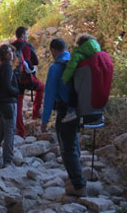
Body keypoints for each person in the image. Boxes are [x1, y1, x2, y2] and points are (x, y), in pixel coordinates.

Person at [40, 38, 87, 197]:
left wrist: (44, 120)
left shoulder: (56, 68)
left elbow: (49, 95)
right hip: (80, 110)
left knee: (67, 149)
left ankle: (79, 185)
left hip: (65, 112)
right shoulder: (76, 62)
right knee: (74, 144)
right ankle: (74, 176)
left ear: (53, 50)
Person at [62, 34, 114, 124]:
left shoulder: (77, 53)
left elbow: (71, 67)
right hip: (97, 98)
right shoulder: (98, 55)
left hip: (83, 96)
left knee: (71, 89)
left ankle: (71, 111)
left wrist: (65, 79)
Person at [0, 44, 20, 170]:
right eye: (8, 52)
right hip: (8, 103)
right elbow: (7, 86)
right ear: (4, 55)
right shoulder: (7, 67)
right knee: (9, 132)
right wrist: (16, 91)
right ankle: (8, 161)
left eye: (12, 51)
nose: (11, 53)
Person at [11, 26, 44, 137]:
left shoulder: (11, 46)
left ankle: (21, 132)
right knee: (41, 87)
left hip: (15, 79)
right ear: (22, 35)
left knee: (18, 105)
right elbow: (28, 64)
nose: (28, 36)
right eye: (27, 34)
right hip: (26, 78)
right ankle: (35, 113)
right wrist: (33, 71)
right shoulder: (25, 46)